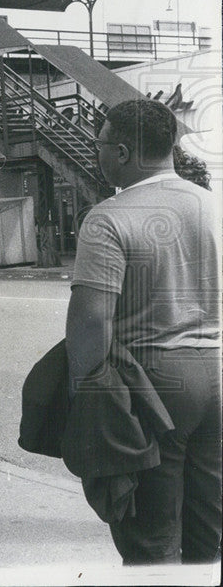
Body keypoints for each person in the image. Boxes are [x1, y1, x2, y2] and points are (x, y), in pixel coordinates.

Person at [66, 99, 221, 564]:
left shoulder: (110, 217)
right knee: (207, 534)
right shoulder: (213, 206)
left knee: (149, 537)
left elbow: (92, 320)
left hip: (152, 383)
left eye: (100, 146)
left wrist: (86, 394)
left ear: (124, 152)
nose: (97, 154)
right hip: (216, 373)